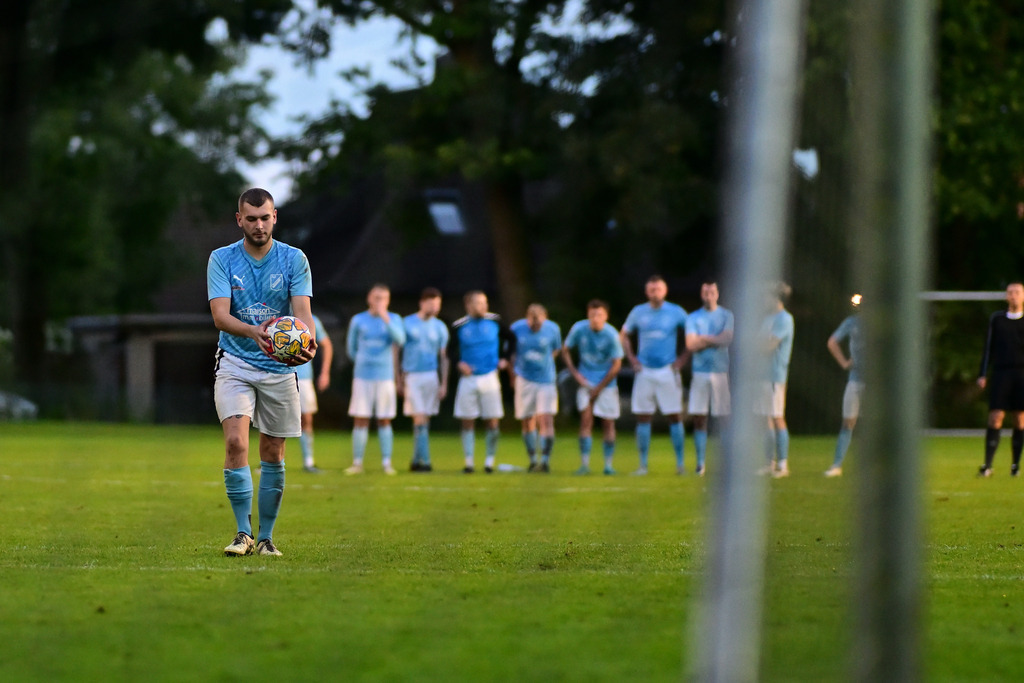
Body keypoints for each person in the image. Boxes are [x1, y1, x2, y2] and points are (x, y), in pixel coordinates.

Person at [207, 187, 317, 557]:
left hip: (278, 369)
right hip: (236, 362)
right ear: (239, 220)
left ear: (275, 217)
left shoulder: (294, 259)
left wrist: (306, 343)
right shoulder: (221, 259)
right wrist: (257, 332)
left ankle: (267, 538)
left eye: (264, 217)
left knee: (273, 451)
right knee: (236, 442)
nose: (258, 225)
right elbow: (220, 315)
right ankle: (242, 534)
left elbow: (302, 313)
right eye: (250, 219)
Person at [620, 275, 690, 475]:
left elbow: (691, 334)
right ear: (646, 292)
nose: (655, 293)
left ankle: (680, 464)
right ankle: (642, 465)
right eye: (652, 289)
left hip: (668, 370)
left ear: (665, 291)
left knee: (675, 415)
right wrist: (631, 359)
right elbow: (624, 334)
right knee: (643, 417)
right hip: (645, 371)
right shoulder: (638, 312)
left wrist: (683, 358)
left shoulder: (675, 312)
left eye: (658, 289)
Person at [344, 284, 407, 476]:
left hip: (385, 376)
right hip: (363, 376)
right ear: (369, 299)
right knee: (361, 418)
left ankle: (387, 463)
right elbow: (351, 348)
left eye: (384, 298)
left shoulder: (394, 319)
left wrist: (385, 318)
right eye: (376, 297)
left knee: (384, 419)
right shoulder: (358, 320)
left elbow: (401, 340)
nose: (379, 301)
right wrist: (364, 361)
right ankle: (357, 463)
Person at [450, 291, 513, 473]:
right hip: (468, 379)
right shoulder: (459, 325)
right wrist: (459, 363)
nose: (483, 306)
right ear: (468, 305)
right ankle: (469, 462)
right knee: (467, 420)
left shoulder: (495, 321)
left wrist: (505, 359)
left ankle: (489, 462)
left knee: (492, 420)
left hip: (490, 377)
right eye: (478, 303)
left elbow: (512, 339)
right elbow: (450, 351)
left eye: (484, 302)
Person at [561, 300, 624, 475]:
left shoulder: (612, 334)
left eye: (599, 315)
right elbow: (565, 349)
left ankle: (608, 465)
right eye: (592, 315)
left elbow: (617, 364)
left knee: (608, 423)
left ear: (606, 316)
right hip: (586, 382)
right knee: (585, 420)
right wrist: (575, 374)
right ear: (587, 315)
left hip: (607, 384)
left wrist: (600, 386)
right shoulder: (579, 329)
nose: (595, 318)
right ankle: (584, 464)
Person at [684, 281, 734, 477]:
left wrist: (703, 339)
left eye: (712, 292)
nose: (708, 295)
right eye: (705, 292)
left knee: (723, 418)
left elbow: (728, 339)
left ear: (717, 294)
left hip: (721, 372)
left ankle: (725, 463)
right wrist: (715, 339)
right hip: (699, 373)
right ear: (701, 294)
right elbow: (690, 345)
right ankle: (700, 463)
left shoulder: (727, 315)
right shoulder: (693, 317)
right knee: (699, 417)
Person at [976, 282, 1024, 477]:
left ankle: (1015, 466)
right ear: (1006, 296)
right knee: (996, 416)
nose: (1013, 296)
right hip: (1001, 373)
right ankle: (987, 465)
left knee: (1020, 418)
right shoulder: (997, 319)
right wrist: (982, 373)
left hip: (1022, 374)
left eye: (1017, 292)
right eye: (1010, 292)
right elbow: (988, 348)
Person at [400, 287, 450, 472]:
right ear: (422, 303)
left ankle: (415, 461)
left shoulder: (440, 327)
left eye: (438, 303)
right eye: (432, 303)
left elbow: (443, 357)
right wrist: (399, 377)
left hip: (431, 375)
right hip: (412, 375)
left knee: (423, 420)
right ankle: (426, 462)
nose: (435, 307)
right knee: (419, 418)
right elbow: (399, 350)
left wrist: (443, 382)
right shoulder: (408, 323)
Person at [509, 303, 563, 472]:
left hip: (546, 380)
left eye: (538, 323)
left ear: (544, 319)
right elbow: (511, 353)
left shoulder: (553, 329)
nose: (535, 326)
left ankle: (545, 460)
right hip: (524, 379)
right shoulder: (516, 329)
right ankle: (533, 459)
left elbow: (556, 350)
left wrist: (544, 364)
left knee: (546, 418)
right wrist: (513, 375)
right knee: (527, 419)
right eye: (532, 323)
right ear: (527, 319)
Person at [757, 281, 795, 478]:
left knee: (778, 417)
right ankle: (769, 463)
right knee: (766, 418)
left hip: (775, 375)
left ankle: (783, 464)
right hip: (763, 375)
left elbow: (769, 346)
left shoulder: (784, 319)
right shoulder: (768, 319)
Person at [824, 294, 864, 478]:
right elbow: (832, 342)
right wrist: (844, 363)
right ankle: (837, 465)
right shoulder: (852, 322)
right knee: (848, 422)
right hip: (855, 379)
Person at [296, 312, 333, 473]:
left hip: (304, 377)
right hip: (278, 375)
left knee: (307, 418)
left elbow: (327, 344)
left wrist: (325, 373)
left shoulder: (311, 319)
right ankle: (268, 462)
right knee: (273, 419)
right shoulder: (277, 316)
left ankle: (309, 461)